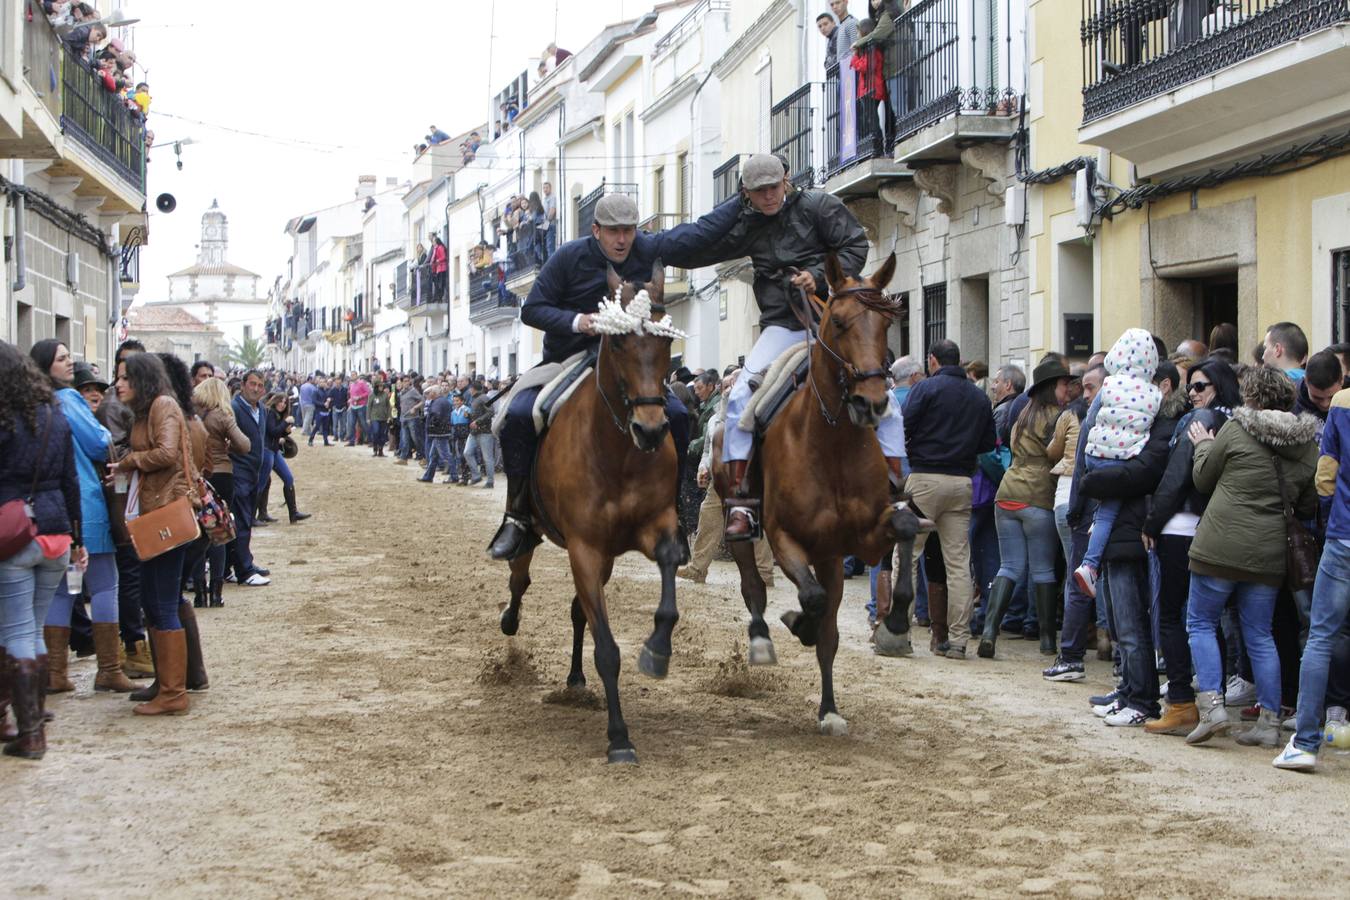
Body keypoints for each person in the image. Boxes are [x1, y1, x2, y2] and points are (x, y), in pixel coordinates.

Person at [489, 189, 743, 560]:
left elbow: (697, 233)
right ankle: (517, 517)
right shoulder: (568, 257)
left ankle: (672, 514)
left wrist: (740, 199)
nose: (622, 239)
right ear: (596, 230)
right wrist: (579, 321)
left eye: (628, 230)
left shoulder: (647, 248)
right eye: (613, 231)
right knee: (517, 414)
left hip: (629, 363)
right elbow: (533, 310)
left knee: (676, 415)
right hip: (570, 356)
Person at [1185, 366, 1318, 746]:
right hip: (1269, 551)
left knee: (1201, 622)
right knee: (1260, 634)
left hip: (1219, 545)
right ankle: (1270, 723)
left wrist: (1202, 446)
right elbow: (1307, 505)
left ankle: (1212, 708)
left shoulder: (1236, 428)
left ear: (1252, 397)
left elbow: (1203, 479)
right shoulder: (1307, 444)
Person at [1134, 359, 1240, 733]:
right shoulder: (1237, 422)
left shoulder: (1201, 421)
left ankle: (1181, 701)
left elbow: (1177, 476)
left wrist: (1152, 522)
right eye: (1191, 386)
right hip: (1217, 530)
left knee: (1173, 616)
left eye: (1200, 386)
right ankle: (1215, 700)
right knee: (1209, 620)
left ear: (1220, 386)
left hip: (1182, 528)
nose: (1192, 394)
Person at [27, 341, 132, 695]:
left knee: (62, 590)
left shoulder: (31, 401)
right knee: (105, 583)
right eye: (61, 358)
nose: (70, 361)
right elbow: (99, 442)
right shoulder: (68, 400)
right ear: (47, 366)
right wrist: (103, 433)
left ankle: (56, 672)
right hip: (84, 502)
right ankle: (109, 668)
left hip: (49, 508)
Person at [0, 342, 82, 759]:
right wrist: (78, 537)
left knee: (15, 631)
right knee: (30, 629)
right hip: (56, 532)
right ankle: (33, 718)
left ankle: (31, 732)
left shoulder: (5, 419)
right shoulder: (56, 414)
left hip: (14, 530)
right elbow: (71, 480)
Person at [109, 353, 200, 716]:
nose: (119, 384)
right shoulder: (146, 410)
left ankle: (174, 692)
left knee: (162, 602)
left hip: (166, 513)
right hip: (151, 513)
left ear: (143, 379)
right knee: (152, 597)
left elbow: (166, 453)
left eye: (126, 378)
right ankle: (164, 682)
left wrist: (130, 461)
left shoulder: (163, 405)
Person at [900, 339, 997, 659]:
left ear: (932, 360)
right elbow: (986, 444)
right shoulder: (979, 396)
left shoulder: (925, 389)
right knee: (958, 564)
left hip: (925, 478)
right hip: (961, 482)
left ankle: (898, 630)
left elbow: (904, 427)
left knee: (906, 554)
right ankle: (958, 639)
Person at [978, 358, 1071, 659]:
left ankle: (990, 631)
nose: (1067, 390)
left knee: (1009, 566)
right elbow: (1054, 455)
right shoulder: (1057, 417)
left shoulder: (1022, 415)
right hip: (1037, 495)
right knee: (1042, 569)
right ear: (1051, 387)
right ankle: (1046, 641)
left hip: (1006, 494)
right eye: (1063, 384)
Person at [1278, 381, 1350, 769]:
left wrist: (1328, 517)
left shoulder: (1341, 403)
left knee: (1321, 636)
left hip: (1344, 537)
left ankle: (1306, 742)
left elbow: (1326, 475)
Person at [1072, 328, 1162, 598]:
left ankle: (1096, 527)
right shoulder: (1154, 393)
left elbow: (1089, 421)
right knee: (1110, 510)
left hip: (1095, 454)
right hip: (1122, 460)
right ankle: (1090, 565)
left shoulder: (1109, 385)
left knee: (1103, 510)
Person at [193, 377, 249, 608]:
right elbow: (245, 445)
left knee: (198, 536)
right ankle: (216, 592)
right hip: (221, 474)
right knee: (218, 533)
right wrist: (229, 445)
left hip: (199, 477)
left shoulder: (194, 417)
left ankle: (198, 592)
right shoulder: (222, 416)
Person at [227, 371, 270, 588]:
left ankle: (231, 566)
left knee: (243, 520)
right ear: (243, 385)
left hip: (254, 473)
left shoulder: (261, 409)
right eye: (252, 384)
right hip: (239, 472)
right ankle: (245, 570)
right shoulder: (234, 409)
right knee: (242, 521)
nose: (256, 388)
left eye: (260, 385)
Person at [263, 392, 310, 523]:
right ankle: (253, 516)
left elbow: (276, 433)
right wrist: (285, 423)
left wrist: (285, 431)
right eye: (280, 401)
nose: (282, 404)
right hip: (267, 451)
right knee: (261, 484)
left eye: (285, 403)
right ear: (275, 401)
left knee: (288, 478)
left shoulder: (277, 414)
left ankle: (293, 513)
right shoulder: (270, 413)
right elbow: (272, 431)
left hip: (274, 451)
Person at [464, 382, 496, 489]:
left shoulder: (484, 398)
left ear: (473, 389)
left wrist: (477, 422)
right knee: (467, 452)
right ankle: (476, 476)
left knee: (487, 458)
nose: (469, 391)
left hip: (485, 432)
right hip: (474, 432)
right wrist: (469, 415)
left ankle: (490, 481)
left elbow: (491, 412)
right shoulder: (474, 398)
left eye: (470, 389)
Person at [420, 386, 452, 484]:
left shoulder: (438, 402)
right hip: (441, 432)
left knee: (446, 455)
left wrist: (432, 425)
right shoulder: (442, 401)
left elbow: (436, 416)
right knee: (433, 455)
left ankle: (454, 475)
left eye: (429, 393)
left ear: (434, 393)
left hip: (439, 433)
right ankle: (428, 476)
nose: (428, 395)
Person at [396, 376, 424, 465]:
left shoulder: (413, 391)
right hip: (404, 418)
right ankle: (404, 458)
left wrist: (415, 407)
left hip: (413, 418)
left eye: (408, 381)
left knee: (416, 439)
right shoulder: (401, 392)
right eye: (404, 381)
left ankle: (423, 456)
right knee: (405, 439)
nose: (406, 383)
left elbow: (422, 400)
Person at [367, 375, 392, 457]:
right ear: (376, 386)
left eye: (382, 386)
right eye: (380, 386)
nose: (382, 387)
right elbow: (369, 407)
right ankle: (375, 449)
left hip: (383, 417)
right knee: (376, 432)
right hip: (374, 417)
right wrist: (368, 418)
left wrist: (389, 416)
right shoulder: (372, 395)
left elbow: (388, 406)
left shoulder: (385, 395)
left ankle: (380, 450)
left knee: (382, 434)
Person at [347, 372, 370, 446]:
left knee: (364, 424)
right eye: (351, 375)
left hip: (361, 406)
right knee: (352, 424)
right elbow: (351, 395)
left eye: (354, 375)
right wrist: (350, 402)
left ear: (357, 376)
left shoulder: (362, 383)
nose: (352, 376)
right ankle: (352, 441)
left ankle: (371, 439)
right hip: (353, 406)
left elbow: (368, 392)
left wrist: (360, 397)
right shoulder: (351, 385)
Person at [541, 182, 558, 261]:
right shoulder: (544, 199)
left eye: (546, 187)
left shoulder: (552, 197)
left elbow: (552, 210)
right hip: (546, 225)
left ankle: (552, 263)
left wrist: (546, 224)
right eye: (544, 188)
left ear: (550, 188)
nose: (545, 189)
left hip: (550, 225)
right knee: (546, 247)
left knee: (550, 246)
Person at [431, 235, 449, 302]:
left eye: (433, 241)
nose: (432, 243)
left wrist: (438, 260)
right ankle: (439, 297)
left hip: (442, 268)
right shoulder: (436, 248)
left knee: (441, 284)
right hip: (439, 268)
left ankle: (441, 298)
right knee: (439, 284)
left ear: (436, 242)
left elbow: (443, 257)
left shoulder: (440, 247)